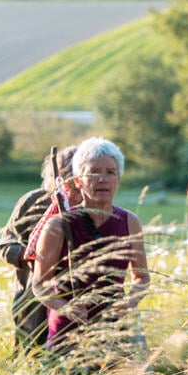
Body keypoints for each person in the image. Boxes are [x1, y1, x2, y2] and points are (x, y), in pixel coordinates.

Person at [31, 137, 149, 349]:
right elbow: (40, 285)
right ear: (78, 181)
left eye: (110, 172)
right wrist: (66, 308)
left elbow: (142, 277)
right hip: (67, 335)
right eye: (93, 172)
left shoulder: (130, 222)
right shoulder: (58, 226)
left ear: (118, 179)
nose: (102, 179)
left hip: (116, 331)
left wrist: (128, 303)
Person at [0, 146, 79, 349]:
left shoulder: (92, 205)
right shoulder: (33, 201)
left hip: (75, 299)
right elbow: (6, 246)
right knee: (32, 354)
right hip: (32, 299)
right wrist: (37, 257)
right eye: (67, 172)